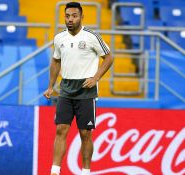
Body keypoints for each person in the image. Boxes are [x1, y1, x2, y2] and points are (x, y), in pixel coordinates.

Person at [43, 2, 113, 175]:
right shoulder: (59, 38)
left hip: (86, 90)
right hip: (66, 88)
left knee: (85, 133)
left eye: (74, 16)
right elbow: (56, 61)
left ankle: (85, 171)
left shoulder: (91, 36)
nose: (70, 19)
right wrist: (50, 86)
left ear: (82, 17)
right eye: (67, 16)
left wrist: (96, 77)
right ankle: (55, 171)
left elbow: (109, 57)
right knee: (60, 129)